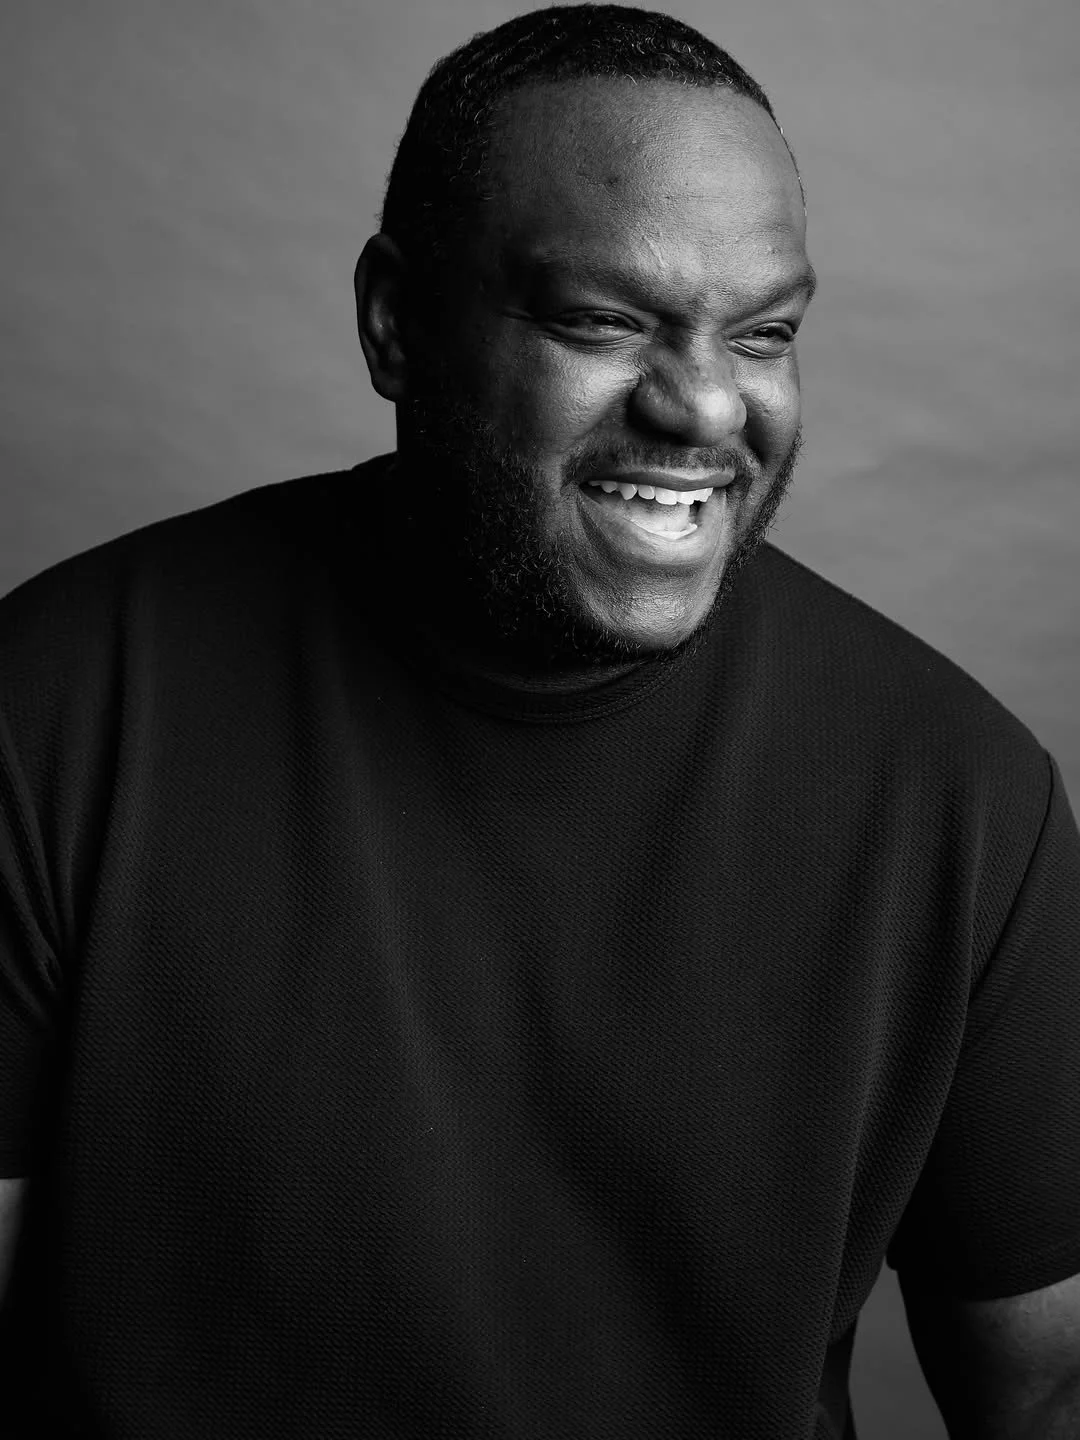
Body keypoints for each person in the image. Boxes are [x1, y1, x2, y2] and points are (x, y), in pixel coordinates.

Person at [1, 5, 1078, 1436]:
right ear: (397, 321)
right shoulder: (57, 706)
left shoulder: (959, 796)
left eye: (762, 334)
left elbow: (1046, 1389)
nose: (703, 406)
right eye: (601, 321)